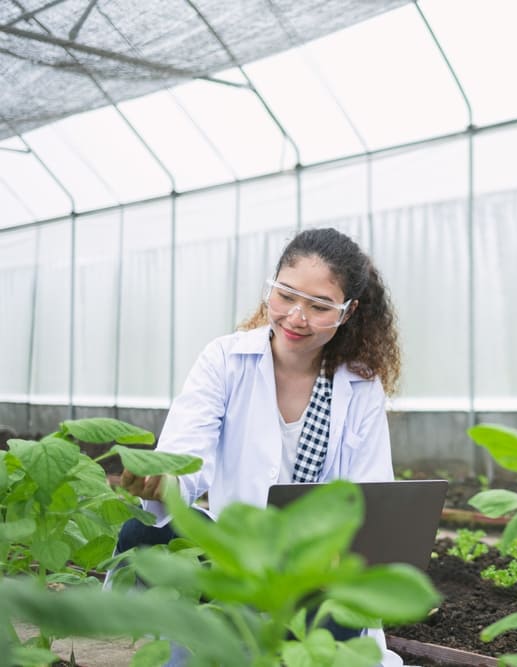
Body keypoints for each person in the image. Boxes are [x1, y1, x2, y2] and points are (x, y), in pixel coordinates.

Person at [113, 227, 404, 665]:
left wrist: (340, 549)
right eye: (286, 295)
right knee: (146, 535)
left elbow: (370, 493)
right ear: (271, 286)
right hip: (230, 554)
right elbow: (188, 448)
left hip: (308, 568)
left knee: (338, 607)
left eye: (320, 306)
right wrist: (167, 477)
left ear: (347, 312)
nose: (297, 317)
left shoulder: (359, 386)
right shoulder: (225, 360)